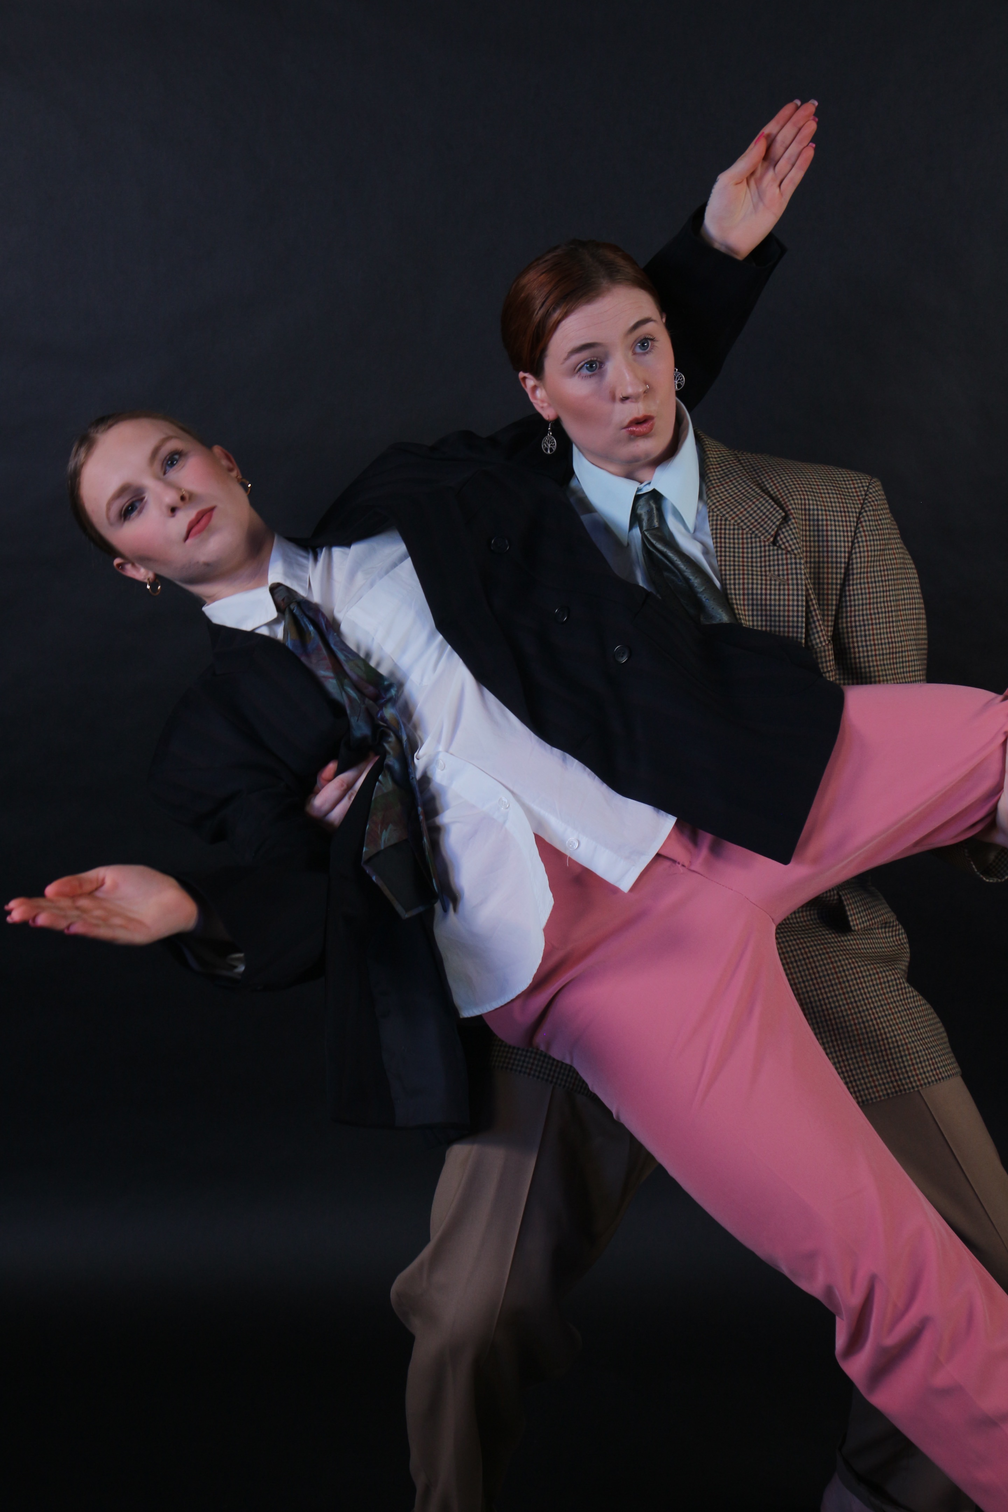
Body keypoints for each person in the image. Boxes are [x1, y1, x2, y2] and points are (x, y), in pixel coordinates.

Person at [9, 105, 1008, 1506]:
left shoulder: (418, 497)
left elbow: (595, 394)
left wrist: (715, 252)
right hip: (599, 974)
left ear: (223, 459)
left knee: (995, 743)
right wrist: (190, 906)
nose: (166, 498)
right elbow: (282, 889)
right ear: (130, 566)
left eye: (172, 461)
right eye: (130, 506)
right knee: (888, 1267)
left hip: (718, 797)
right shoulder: (215, 738)